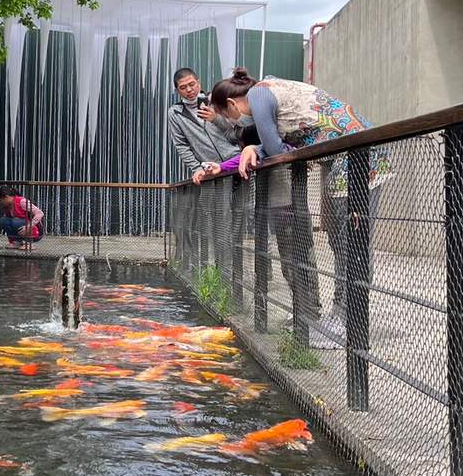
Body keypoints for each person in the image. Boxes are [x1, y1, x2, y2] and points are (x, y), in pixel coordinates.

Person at [211, 69, 391, 349]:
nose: (235, 122)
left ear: (232, 105)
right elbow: (276, 145)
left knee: (352, 242)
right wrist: (255, 149)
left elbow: (275, 148)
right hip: (345, 158)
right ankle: (342, 316)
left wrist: (254, 150)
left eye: (226, 116)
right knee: (340, 239)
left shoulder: (259, 93)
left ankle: (348, 320)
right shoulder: (271, 87)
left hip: (358, 156)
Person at [167, 68, 240, 179]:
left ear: (199, 82)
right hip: (211, 170)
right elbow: (181, 145)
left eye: (192, 84)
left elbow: (235, 130)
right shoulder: (175, 113)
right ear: (177, 91)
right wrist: (197, 169)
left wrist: (215, 119)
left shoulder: (216, 99)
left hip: (236, 160)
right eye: (183, 87)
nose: (189, 90)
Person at [0, 185, 44, 250]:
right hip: (22, 227)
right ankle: (16, 242)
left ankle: (29, 243)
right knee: (4, 220)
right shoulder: (7, 206)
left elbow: (40, 213)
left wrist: (29, 226)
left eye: (0, 200)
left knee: (15, 221)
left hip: (35, 231)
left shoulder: (22, 202)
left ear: (6, 197)